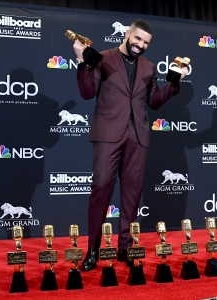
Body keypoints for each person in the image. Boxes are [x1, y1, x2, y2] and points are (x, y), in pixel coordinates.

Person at [73, 19, 188, 271]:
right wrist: (82, 60)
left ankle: (125, 246)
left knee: (132, 192)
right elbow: (87, 92)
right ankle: (93, 249)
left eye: (146, 42)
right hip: (107, 133)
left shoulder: (149, 66)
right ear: (127, 34)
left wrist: (174, 81)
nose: (141, 45)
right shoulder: (102, 57)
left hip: (138, 136)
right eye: (137, 39)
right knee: (101, 186)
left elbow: (154, 101)